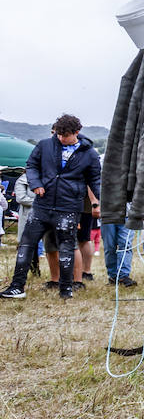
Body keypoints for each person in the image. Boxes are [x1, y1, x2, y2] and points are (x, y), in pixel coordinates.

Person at [2, 114, 101, 300]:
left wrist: (100, 202)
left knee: (66, 248)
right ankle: (17, 287)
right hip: (42, 206)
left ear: (77, 133)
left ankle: (66, 289)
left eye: (66, 136)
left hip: (68, 207)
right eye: (59, 135)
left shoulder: (89, 154)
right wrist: (36, 183)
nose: (62, 139)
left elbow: (95, 179)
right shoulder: (44, 145)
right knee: (26, 245)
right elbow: (31, 165)